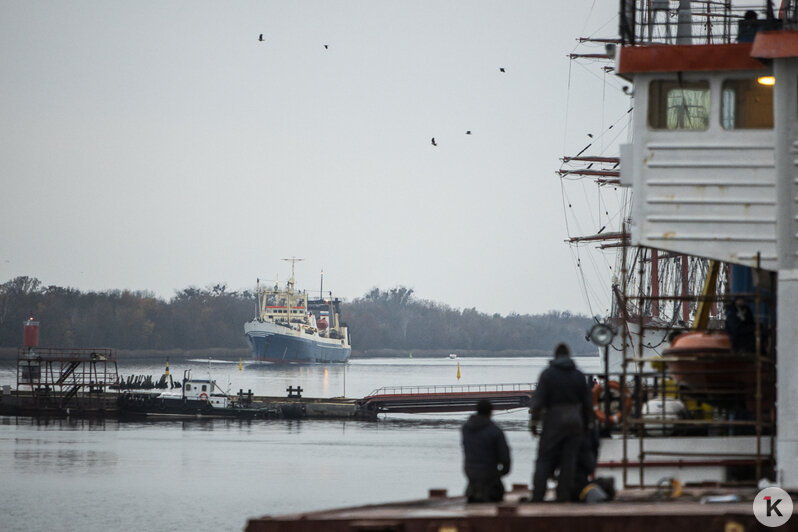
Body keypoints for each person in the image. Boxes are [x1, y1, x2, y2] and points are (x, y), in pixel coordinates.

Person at [529, 343, 593, 502]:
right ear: (569, 356)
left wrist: (533, 422)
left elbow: (538, 401)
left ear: (555, 355)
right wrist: (586, 425)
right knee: (569, 461)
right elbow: (587, 404)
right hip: (575, 422)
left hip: (553, 421)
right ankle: (563, 496)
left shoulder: (547, 375)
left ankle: (538, 495)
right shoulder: (579, 375)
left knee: (544, 458)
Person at [461, 399, 511, 503]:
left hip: (469, 470)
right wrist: (502, 472)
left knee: (477, 482)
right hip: (489, 471)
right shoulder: (495, 431)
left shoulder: (465, 429)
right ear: (491, 412)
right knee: (497, 492)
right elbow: (505, 457)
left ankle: (473, 493)